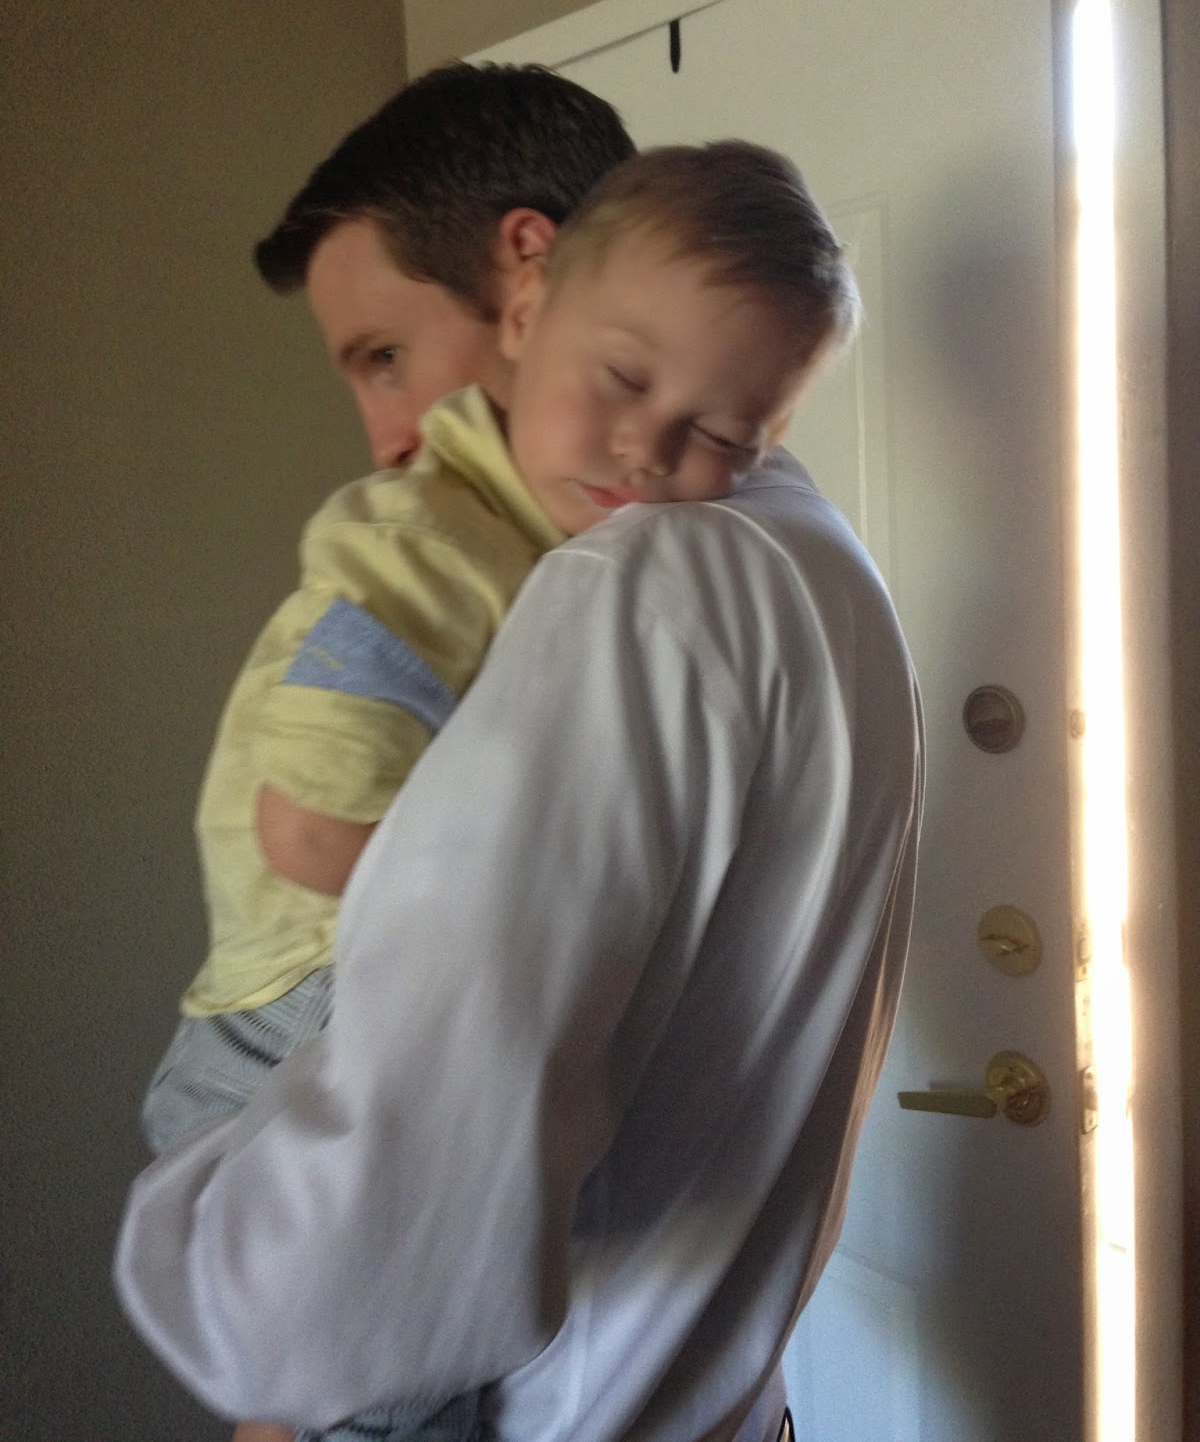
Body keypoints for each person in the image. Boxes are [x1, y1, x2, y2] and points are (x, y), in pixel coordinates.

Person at [136, 92, 878, 1439]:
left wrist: (279, 1389)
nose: (385, 437)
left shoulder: (623, 587)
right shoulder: (816, 559)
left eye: (385, 357)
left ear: (529, 278)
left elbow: (349, 1284)